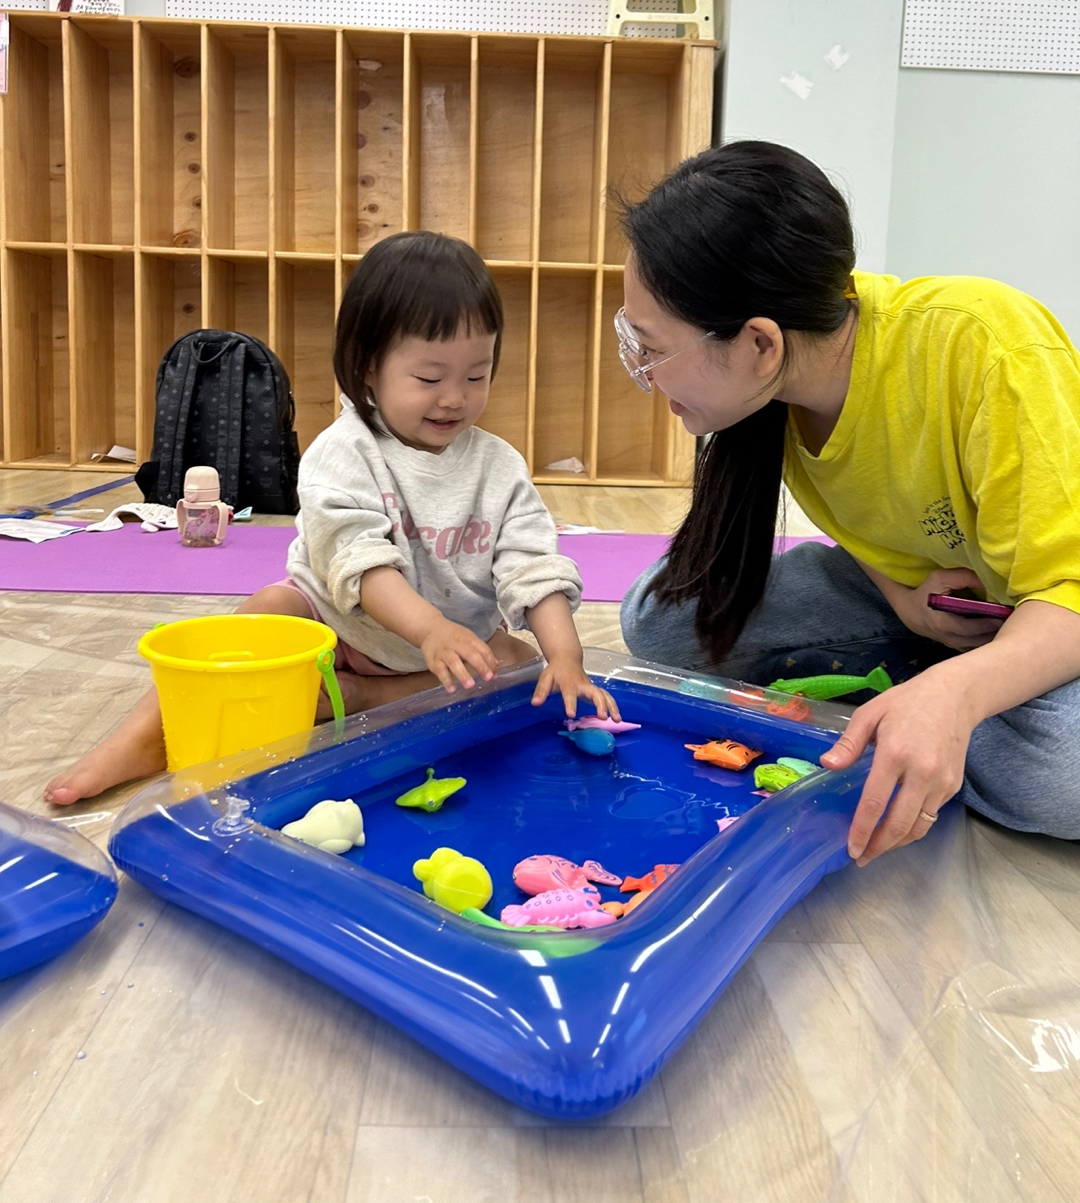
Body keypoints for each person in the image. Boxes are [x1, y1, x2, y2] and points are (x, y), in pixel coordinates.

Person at [617, 141, 1080, 865]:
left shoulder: (985, 344)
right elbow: (874, 526)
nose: (644, 373)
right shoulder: (778, 391)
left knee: (1060, 777)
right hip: (941, 602)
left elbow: (1069, 591)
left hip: (1051, 617)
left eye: (651, 348)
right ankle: (912, 699)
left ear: (761, 344)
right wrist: (901, 599)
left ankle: (915, 703)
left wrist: (956, 693)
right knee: (658, 621)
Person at [46, 232, 615, 805]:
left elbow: (532, 565)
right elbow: (359, 562)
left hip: (441, 655)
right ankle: (147, 738)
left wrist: (566, 658)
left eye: (476, 376)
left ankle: (364, 699)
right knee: (270, 606)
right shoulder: (345, 450)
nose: (453, 398)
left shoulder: (499, 465)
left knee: (521, 665)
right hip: (339, 631)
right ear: (367, 367)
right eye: (429, 378)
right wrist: (429, 629)